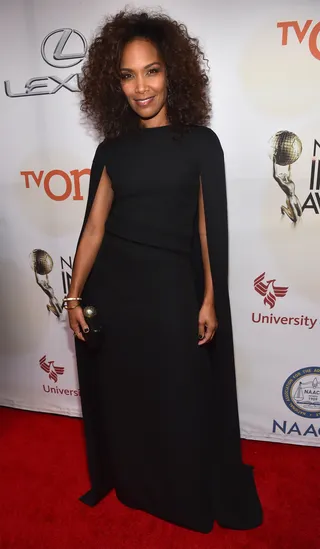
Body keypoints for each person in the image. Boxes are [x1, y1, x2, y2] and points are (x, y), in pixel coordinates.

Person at [65, 8, 263, 534]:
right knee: (129, 398)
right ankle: (134, 486)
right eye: (127, 75)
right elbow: (92, 231)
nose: (141, 87)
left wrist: (209, 298)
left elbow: (205, 231)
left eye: (151, 71)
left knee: (179, 399)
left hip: (174, 294)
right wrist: (74, 295)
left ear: (172, 71)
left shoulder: (200, 143)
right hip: (117, 295)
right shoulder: (110, 151)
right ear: (115, 83)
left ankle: (181, 493)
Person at [273, 155, 302, 223]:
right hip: (290, 200)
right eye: (281, 174)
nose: (283, 173)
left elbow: (289, 169)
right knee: (295, 220)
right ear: (281, 178)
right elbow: (275, 175)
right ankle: (283, 208)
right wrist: (274, 162)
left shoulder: (289, 179)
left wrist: (290, 159)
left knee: (300, 214)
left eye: (282, 173)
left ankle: (288, 209)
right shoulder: (283, 184)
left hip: (295, 197)